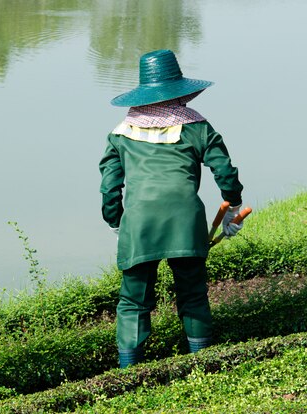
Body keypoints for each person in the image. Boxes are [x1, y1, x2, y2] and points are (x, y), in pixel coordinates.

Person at [99, 49, 244, 368]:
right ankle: (203, 364)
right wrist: (233, 207)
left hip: (139, 224)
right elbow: (225, 171)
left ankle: (128, 373)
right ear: (179, 92)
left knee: (133, 302)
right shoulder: (198, 127)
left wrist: (115, 222)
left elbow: (110, 188)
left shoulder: (119, 135)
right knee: (192, 293)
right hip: (185, 221)